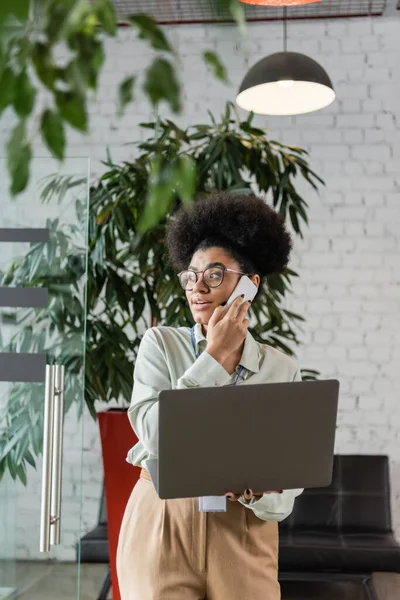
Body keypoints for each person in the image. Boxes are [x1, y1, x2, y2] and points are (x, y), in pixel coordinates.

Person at [117, 192, 304, 600]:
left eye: (215, 275)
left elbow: (288, 489)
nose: (197, 287)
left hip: (244, 533)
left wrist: (264, 493)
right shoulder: (160, 345)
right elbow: (156, 435)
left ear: (250, 286)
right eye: (191, 275)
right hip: (163, 521)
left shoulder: (282, 368)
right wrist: (214, 357)